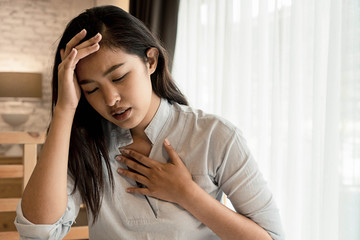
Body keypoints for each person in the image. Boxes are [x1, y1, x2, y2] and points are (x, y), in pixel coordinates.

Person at [15, 5, 284, 240]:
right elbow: (38, 231)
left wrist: (188, 194)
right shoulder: (86, 143)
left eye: (119, 77)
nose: (111, 99)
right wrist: (64, 109)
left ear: (151, 61)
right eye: (91, 89)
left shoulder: (215, 136)